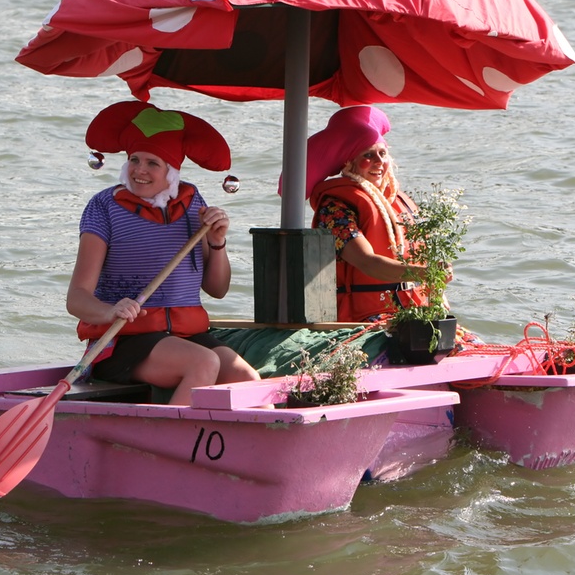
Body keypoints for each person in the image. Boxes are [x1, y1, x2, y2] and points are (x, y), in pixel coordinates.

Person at [66, 100, 262, 405]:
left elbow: (218, 289)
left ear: (172, 171)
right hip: (121, 340)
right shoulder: (103, 207)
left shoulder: (193, 203)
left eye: (152, 163)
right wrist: (110, 311)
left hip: (186, 337)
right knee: (203, 363)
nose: (139, 171)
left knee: (249, 382)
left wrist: (218, 242)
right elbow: (76, 298)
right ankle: (165, 445)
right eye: (134, 160)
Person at [303, 105, 444, 323]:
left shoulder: (398, 201)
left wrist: (437, 290)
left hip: (414, 310)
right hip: (362, 318)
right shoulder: (334, 208)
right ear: (348, 163)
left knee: (467, 346)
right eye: (368, 155)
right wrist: (427, 273)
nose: (379, 162)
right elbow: (366, 262)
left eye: (382, 153)